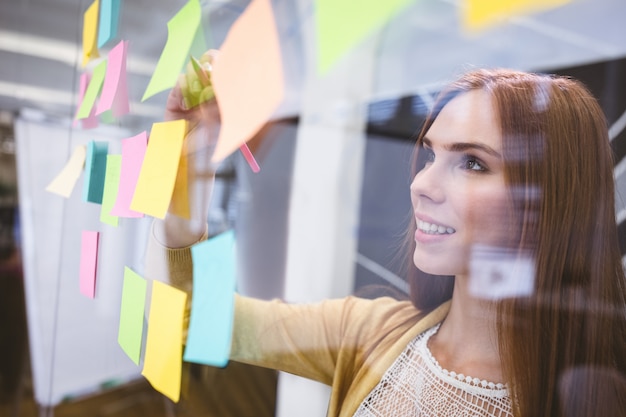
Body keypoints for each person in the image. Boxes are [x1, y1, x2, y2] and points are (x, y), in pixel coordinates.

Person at [145, 55, 626, 416]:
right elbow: (199, 321)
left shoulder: (591, 398)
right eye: (431, 155)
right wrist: (192, 169)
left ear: (549, 200)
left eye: (473, 163)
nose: (422, 184)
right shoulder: (373, 333)